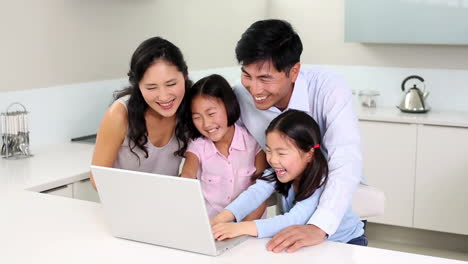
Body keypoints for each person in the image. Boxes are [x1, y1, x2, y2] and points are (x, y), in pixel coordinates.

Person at [233, 19, 363, 252]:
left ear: (294, 71)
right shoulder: (240, 96)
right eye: (247, 76)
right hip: (290, 219)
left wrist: (319, 226)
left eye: (265, 78)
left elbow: (345, 160)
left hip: (334, 222)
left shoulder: (328, 88)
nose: (254, 89)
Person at [211, 110, 366, 247]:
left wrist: (240, 227)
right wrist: (220, 219)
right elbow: (254, 193)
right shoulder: (279, 170)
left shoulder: (321, 180)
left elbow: (293, 220)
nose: (272, 159)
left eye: (281, 153)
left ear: (309, 154)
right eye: (269, 150)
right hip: (311, 245)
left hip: (346, 244)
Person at [90, 36, 191, 187]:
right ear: (138, 86)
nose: (164, 97)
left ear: (184, 76)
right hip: (125, 204)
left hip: (167, 205)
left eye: (171, 84)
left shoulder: (192, 109)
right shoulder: (119, 115)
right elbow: (97, 179)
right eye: (151, 87)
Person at [180, 74, 268, 219]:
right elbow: (187, 176)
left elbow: (260, 194)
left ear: (228, 106)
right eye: (197, 117)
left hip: (248, 228)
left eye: (211, 113)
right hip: (212, 230)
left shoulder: (254, 142)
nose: (206, 124)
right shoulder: (197, 146)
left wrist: (240, 230)